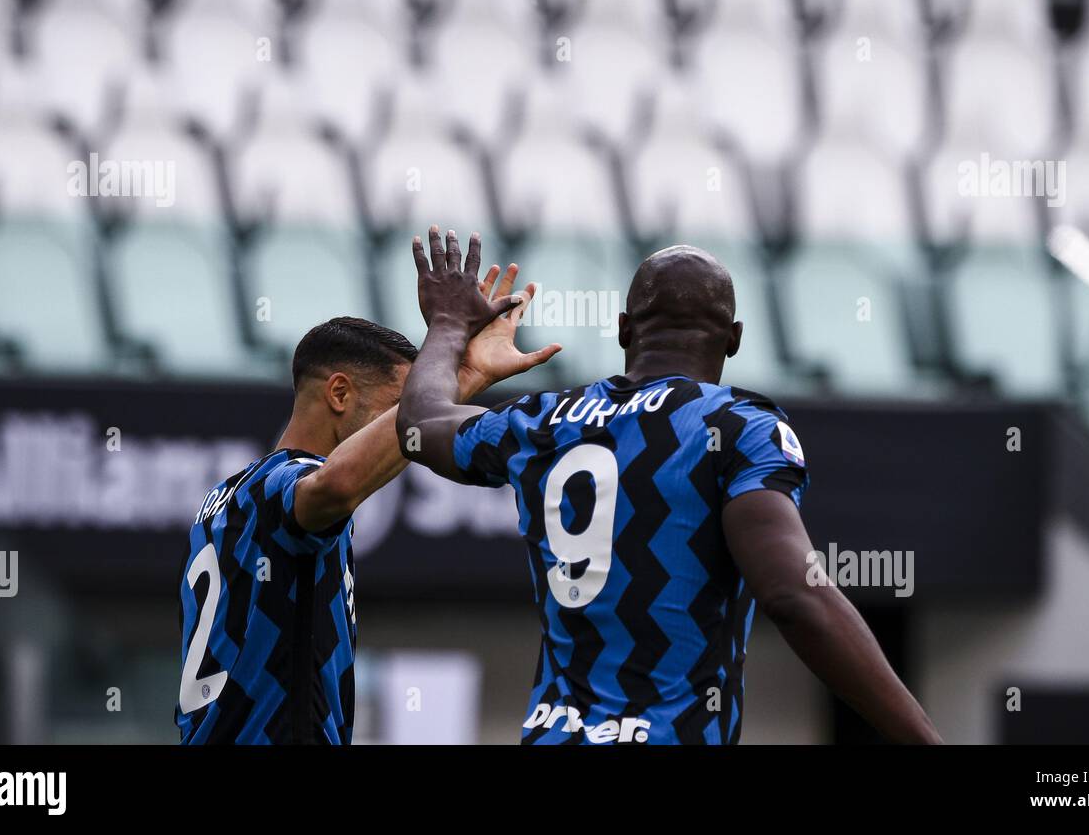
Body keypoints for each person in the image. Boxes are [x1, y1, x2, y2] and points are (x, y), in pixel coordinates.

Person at [396, 227, 941, 744]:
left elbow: (418, 426)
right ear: (734, 339)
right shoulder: (736, 427)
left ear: (624, 329)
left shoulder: (542, 419)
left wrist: (447, 325)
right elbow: (793, 595)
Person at [176, 261, 557, 744]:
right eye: (401, 403)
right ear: (339, 393)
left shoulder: (225, 497)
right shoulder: (286, 486)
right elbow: (335, 485)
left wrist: (459, 381)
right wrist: (452, 360)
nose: (412, 419)